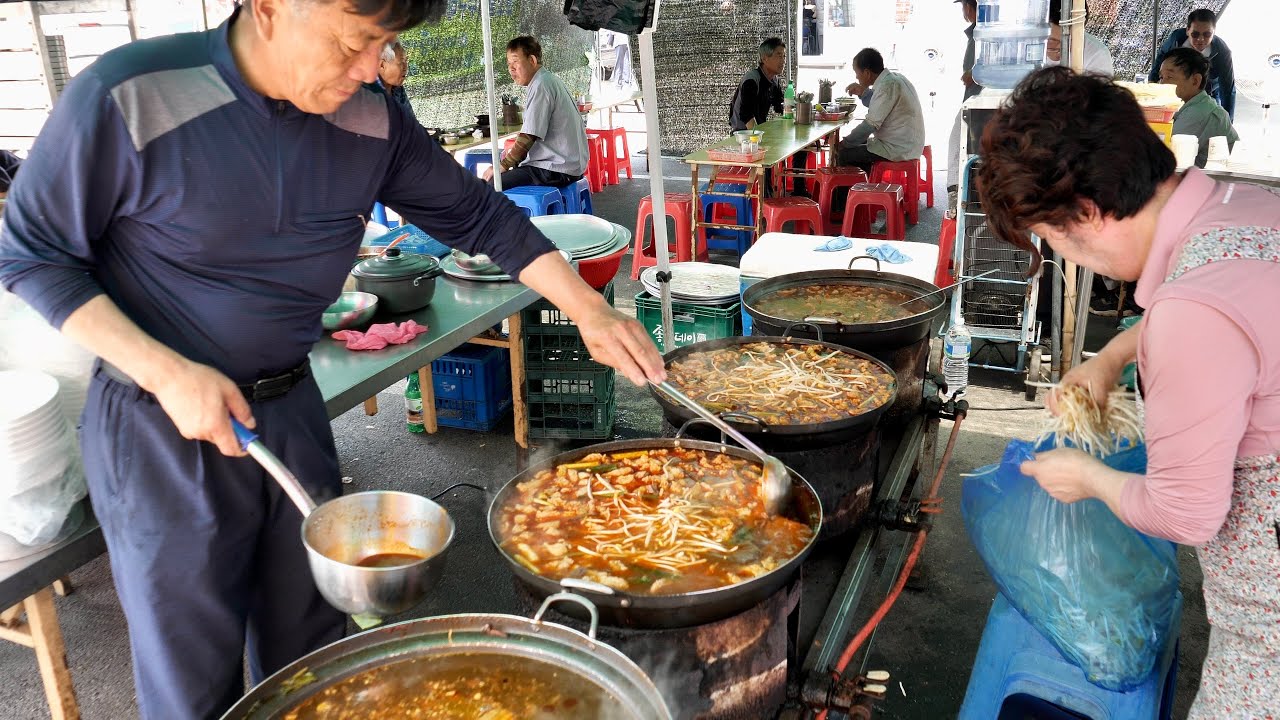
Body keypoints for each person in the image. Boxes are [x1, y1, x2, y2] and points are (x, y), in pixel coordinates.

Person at [0, 1, 664, 717]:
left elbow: (480, 216)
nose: (369, 68)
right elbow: (32, 254)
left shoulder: (371, 114)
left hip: (290, 410)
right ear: (270, 8)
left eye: (382, 45)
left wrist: (591, 308)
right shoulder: (130, 93)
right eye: (353, 43)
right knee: (193, 679)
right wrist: (166, 370)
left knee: (315, 657)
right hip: (161, 427)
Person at [977, 66, 1280, 719]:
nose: (1066, 256)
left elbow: (1187, 512)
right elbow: (1233, 328)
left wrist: (1084, 476)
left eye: (1055, 239)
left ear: (1086, 212)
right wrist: (1113, 355)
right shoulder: (1245, 207)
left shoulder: (1190, 314)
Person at [482, 36, 589, 190]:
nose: (511, 69)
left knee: (493, 184)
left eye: (515, 62)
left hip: (555, 169)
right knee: (508, 164)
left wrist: (502, 166)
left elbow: (529, 136)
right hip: (567, 166)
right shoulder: (548, 80)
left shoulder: (541, 85)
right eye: (509, 64)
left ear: (532, 60)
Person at [835, 48, 925, 173]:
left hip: (898, 148)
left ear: (867, 73)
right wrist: (864, 93)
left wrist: (845, 143)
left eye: (857, 72)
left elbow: (869, 125)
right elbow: (880, 105)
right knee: (858, 143)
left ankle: (851, 192)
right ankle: (865, 187)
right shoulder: (895, 79)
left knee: (843, 154)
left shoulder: (887, 86)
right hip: (906, 144)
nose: (856, 77)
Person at [1148, 9, 1235, 119]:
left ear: (1214, 32)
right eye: (1195, 34)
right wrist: (1152, 80)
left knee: (1211, 119)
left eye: (1207, 34)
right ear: (1187, 30)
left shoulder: (1223, 52)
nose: (1200, 39)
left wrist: (1228, 120)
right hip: (1177, 91)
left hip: (1208, 92)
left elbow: (1227, 89)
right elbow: (1162, 55)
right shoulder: (1176, 39)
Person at [1160, 47, 1238, 168]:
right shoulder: (1188, 105)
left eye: (1169, 77)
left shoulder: (1200, 112)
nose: (1162, 84)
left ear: (1195, 81)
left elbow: (1162, 155)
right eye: (1161, 77)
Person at [946, 0, 981, 216]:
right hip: (975, 101)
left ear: (971, 8)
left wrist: (974, 73)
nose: (963, 12)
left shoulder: (984, 34)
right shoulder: (976, 33)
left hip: (978, 102)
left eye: (964, 7)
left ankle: (955, 198)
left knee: (958, 145)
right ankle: (961, 196)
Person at [1045, 0, 1114, 77]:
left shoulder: (1097, 54)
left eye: (1069, 40)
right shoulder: (1031, 44)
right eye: (1052, 40)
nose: (1059, 46)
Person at [729, 37, 785, 132]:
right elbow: (746, 115)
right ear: (764, 58)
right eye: (778, 55)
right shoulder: (752, 80)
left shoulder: (774, 80)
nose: (783, 61)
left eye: (784, 56)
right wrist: (758, 138)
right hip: (742, 134)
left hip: (759, 130)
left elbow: (780, 106)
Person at [376, 39, 412, 115]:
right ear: (382, 65)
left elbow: (410, 123)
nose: (406, 67)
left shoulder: (398, 89)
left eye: (406, 61)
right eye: (401, 62)